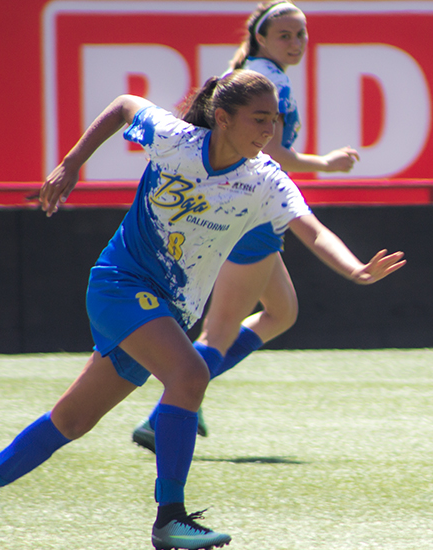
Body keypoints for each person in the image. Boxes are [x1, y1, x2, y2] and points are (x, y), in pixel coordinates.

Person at [0, 70, 404, 550]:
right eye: (259, 119)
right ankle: (170, 518)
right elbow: (122, 105)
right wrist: (72, 164)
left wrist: (355, 270)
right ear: (222, 118)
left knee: (72, 421)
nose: (270, 131)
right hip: (120, 285)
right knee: (190, 375)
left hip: (167, 310)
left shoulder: (264, 179)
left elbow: (313, 229)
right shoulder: (176, 140)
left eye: (276, 120)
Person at [131, 0, 362, 452]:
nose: (296, 43)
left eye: (302, 33)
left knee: (282, 313)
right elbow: (275, 155)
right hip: (251, 209)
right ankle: (167, 413)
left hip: (245, 205)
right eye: (286, 35)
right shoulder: (270, 80)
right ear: (261, 37)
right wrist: (329, 164)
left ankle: (175, 405)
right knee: (221, 332)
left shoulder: (259, 71)